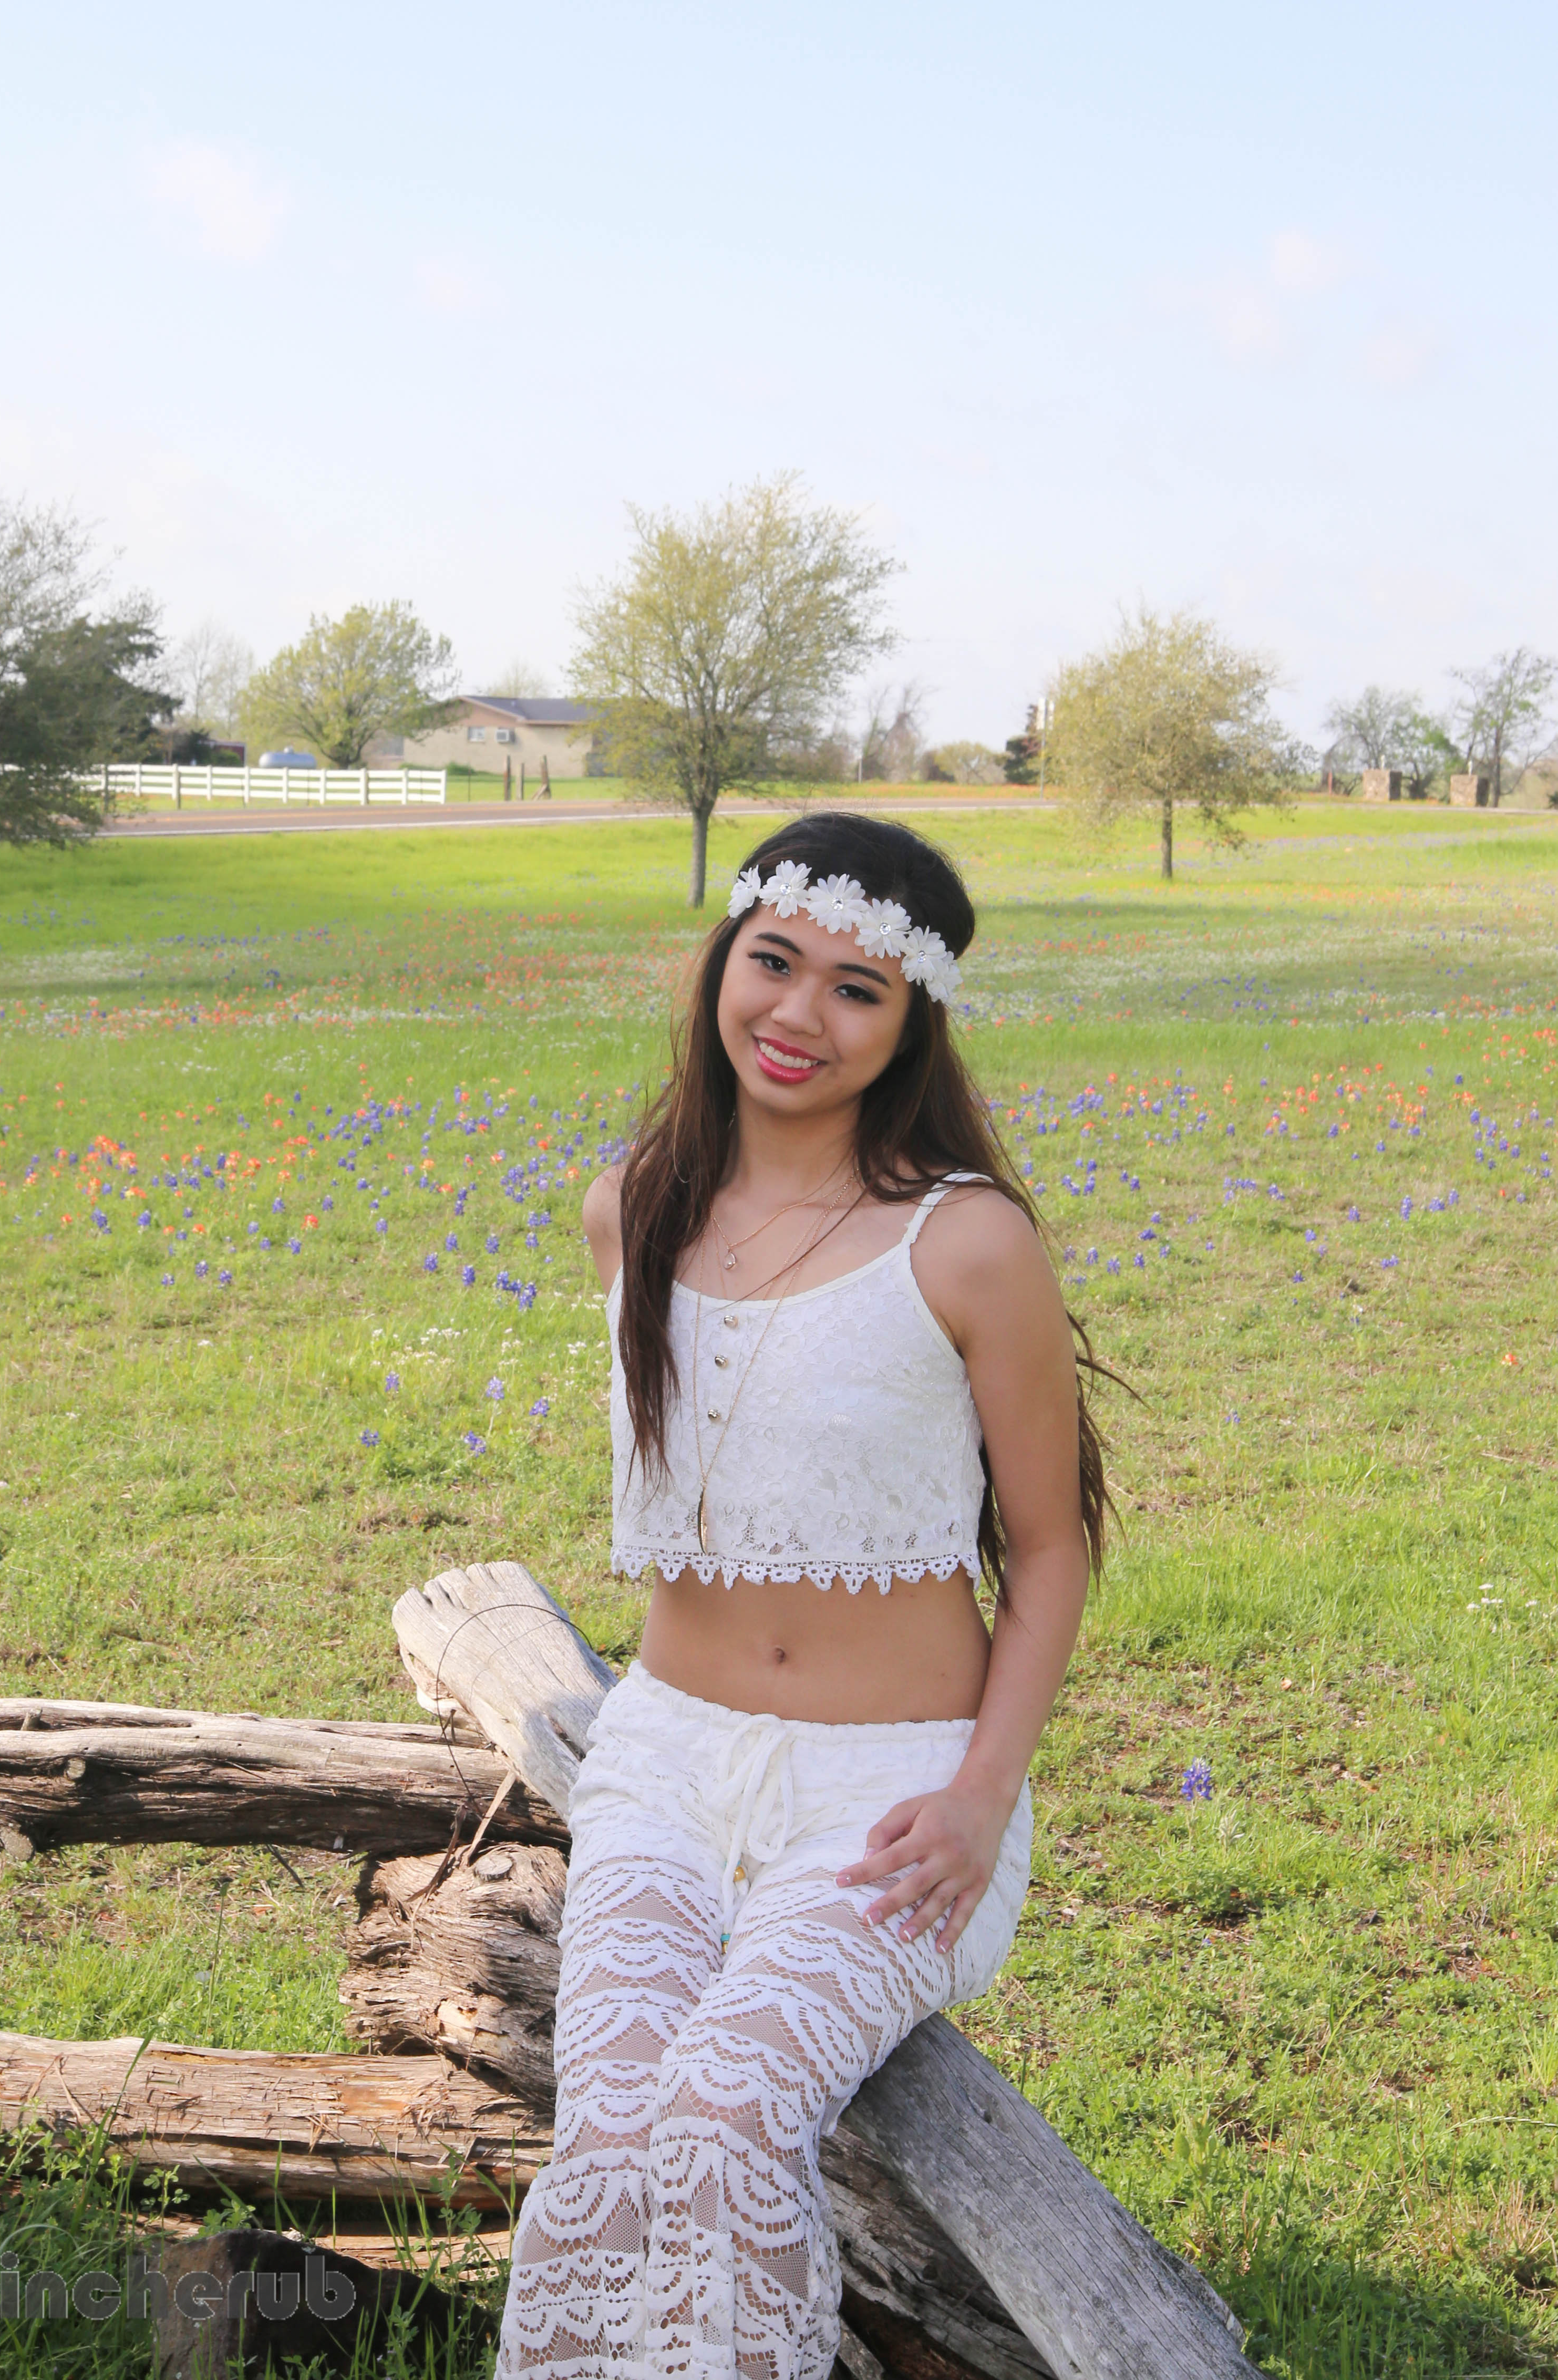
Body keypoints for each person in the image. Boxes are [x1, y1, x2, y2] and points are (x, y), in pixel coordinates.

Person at [497, 811, 1113, 2380]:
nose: (798, 1014)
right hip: (668, 1761)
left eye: (856, 988)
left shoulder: (962, 1240)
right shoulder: (629, 1203)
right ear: (724, 961)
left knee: (716, 2126)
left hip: (894, 1792)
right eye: (773, 963)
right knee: (610, 2141)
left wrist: (982, 1800)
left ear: (911, 1023)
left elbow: (1048, 1547)